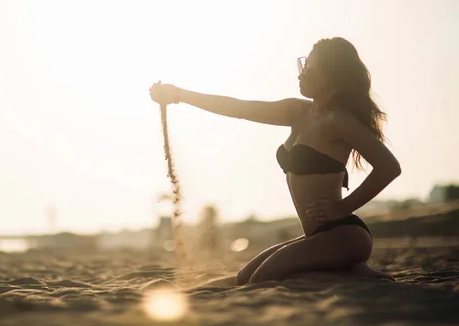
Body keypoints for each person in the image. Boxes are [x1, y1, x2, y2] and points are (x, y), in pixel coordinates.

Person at [149, 37, 401, 284]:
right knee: (245, 277)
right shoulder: (298, 111)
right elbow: (238, 108)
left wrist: (344, 207)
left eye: (310, 69)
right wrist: (178, 94)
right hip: (316, 236)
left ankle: (349, 270)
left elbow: (389, 167)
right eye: (303, 65)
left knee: (263, 279)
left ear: (331, 76)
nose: (301, 74)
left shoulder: (339, 121)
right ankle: (349, 271)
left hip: (344, 235)